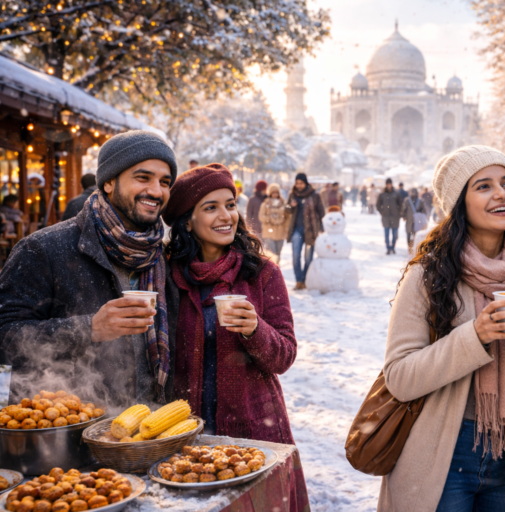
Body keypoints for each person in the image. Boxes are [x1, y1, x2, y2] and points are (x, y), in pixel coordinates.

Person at [379, 145, 505, 512]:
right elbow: (400, 377)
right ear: (458, 203)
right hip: (441, 452)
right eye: (483, 186)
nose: (501, 194)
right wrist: (475, 336)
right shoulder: (428, 274)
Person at [162, 164, 309, 511]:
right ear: (187, 220)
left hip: (254, 425)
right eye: (210, 207)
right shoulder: (167, 275)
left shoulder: (261, 272)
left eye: (230, 204)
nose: (225, 215)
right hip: (184, 429)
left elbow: (284, 356)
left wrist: (255, 330)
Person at [0, 130, 179, 407]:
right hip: (71, 432)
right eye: (142, 178)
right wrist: (89, 328)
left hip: (146, 432)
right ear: (108, 182)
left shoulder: (162, 255)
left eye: (165, 182)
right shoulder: (44, 249)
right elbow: (5, 337)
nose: (156, 191)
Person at [286, 173, 325, 290]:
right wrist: (291, 206)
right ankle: (299, 281)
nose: (299, 185)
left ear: (306, 183)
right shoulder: (293, 194)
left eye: (301, 183)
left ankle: (304, 280)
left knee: (308, 258)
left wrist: (322, 229)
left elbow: (321, 212)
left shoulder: (314, 195)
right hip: (296, 230)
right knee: (296, 256)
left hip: (310, 231)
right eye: (297, 183)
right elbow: (287, 210)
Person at [259, 184, 290, 263]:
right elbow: (261, 216)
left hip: (280, 232)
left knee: (278, 254)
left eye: (276, 192)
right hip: (269, 232)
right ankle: (272, 272)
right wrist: (270, 219)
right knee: (271, 254)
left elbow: (288, 218)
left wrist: (286, 230)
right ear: (270, 193)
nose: (275, 194)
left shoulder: (283, 203)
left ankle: (277, 270)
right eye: (273, 192)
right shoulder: (265, 203)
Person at [377, 178, 403, 255]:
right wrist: (382, 212)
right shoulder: (382, 194)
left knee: (395, 235)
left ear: (391, 184)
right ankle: (388, 248)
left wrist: (399, 213)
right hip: (386, 217)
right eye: (387, 184)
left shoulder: (396, 194)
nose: (389, 185)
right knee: (387, 234)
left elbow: (400, 205)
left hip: (395, 217)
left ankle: (393, 247)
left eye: (390, 184)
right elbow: (378, 205)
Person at [401, 187, 428, 252]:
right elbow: (424, 211)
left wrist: (404, 216)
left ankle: (410, 247)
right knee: (414, 234)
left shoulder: (407, 200)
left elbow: (404, 210)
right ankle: (413, 247)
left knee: (409, 234)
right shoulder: (420, 200)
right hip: (417, 221)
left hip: (410, 220)